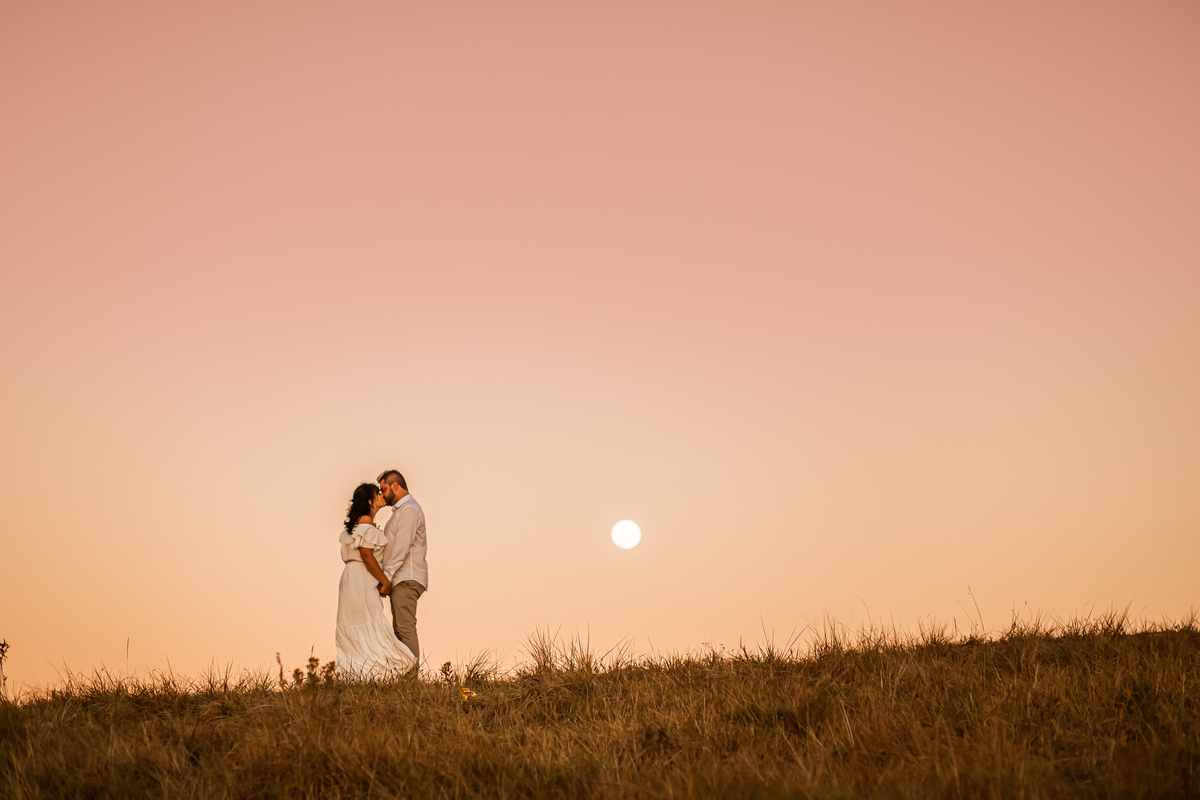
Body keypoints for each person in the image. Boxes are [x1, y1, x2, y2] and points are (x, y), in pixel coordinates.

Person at [334, 482, 416, 677]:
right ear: (371, 500)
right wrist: (385, 581)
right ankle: (381, 671)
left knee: (359, 622)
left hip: (351, 579)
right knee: (370, 620)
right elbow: (367, 556)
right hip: (362, 577)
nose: (381, 495)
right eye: (377, 493)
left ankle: (357, 672)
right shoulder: (366, 525)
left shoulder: (355, 526)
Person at [378, 469, 428, 665]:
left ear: (395, 486)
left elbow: (402, 545)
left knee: (405, 628)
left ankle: (410, 678)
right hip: (402, 577)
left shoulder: (409, 510)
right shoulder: (403, 510)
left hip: (406, 577)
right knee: (400, 629)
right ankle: (405, 675)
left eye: (384, 489)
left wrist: (386, 577)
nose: (382, 495)